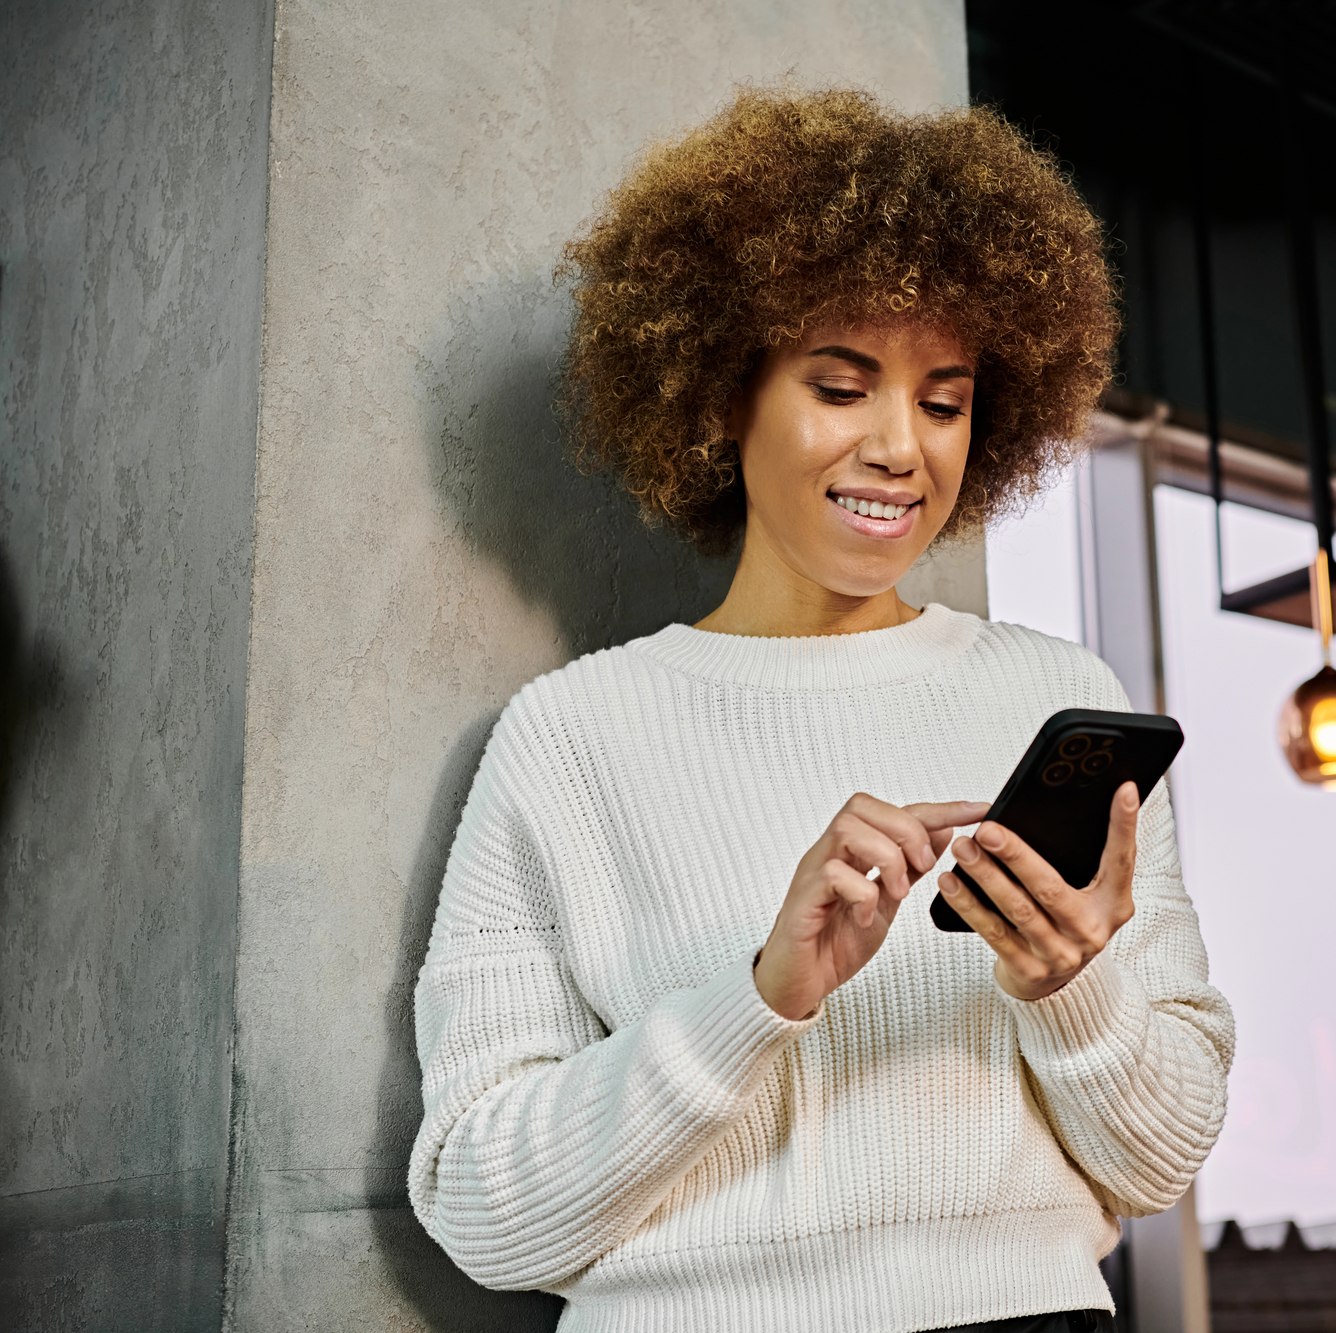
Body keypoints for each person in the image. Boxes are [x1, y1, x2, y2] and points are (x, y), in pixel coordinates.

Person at [406, 86, 1233, 1333]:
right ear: (716, 393)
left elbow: (1158, 1162)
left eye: (944, 401)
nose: (903, 446)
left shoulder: (1054, 699)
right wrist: (760, 1000)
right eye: (841, 388)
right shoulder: (569, 740)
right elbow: (482, 1210)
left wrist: (1071, 983)